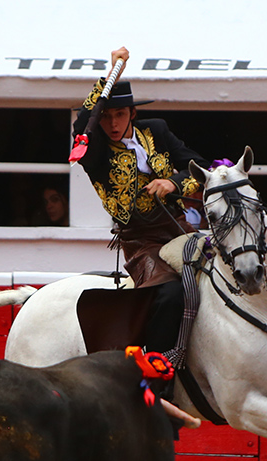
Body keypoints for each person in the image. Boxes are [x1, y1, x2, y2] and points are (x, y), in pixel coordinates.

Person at [73, 46, 206, 356]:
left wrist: (171, 183)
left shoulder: (156, 130)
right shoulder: (96, 154)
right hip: (140, 241)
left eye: (119, 114)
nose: (112, 124)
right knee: (171, 294)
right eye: (105, 117)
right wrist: (110, 75)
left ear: (133, 113)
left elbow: (197, 166)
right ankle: (155, 369)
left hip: (179, 228)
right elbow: (82, 126)